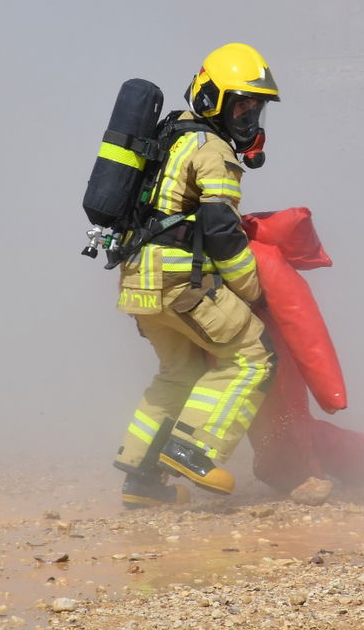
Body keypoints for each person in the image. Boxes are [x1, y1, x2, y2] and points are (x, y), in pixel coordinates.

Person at [112, 42, 281, 508]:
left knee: (180, 371)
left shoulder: (171, 137)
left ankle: (141, 479)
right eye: (242, 105)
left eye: (256, 107)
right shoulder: (215, 149)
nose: (250, 117)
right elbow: (222, 230)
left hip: (138, 281)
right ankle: (194, 450)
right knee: (253, 356)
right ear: (212, 98)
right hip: (178, 281)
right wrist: (252, 289)